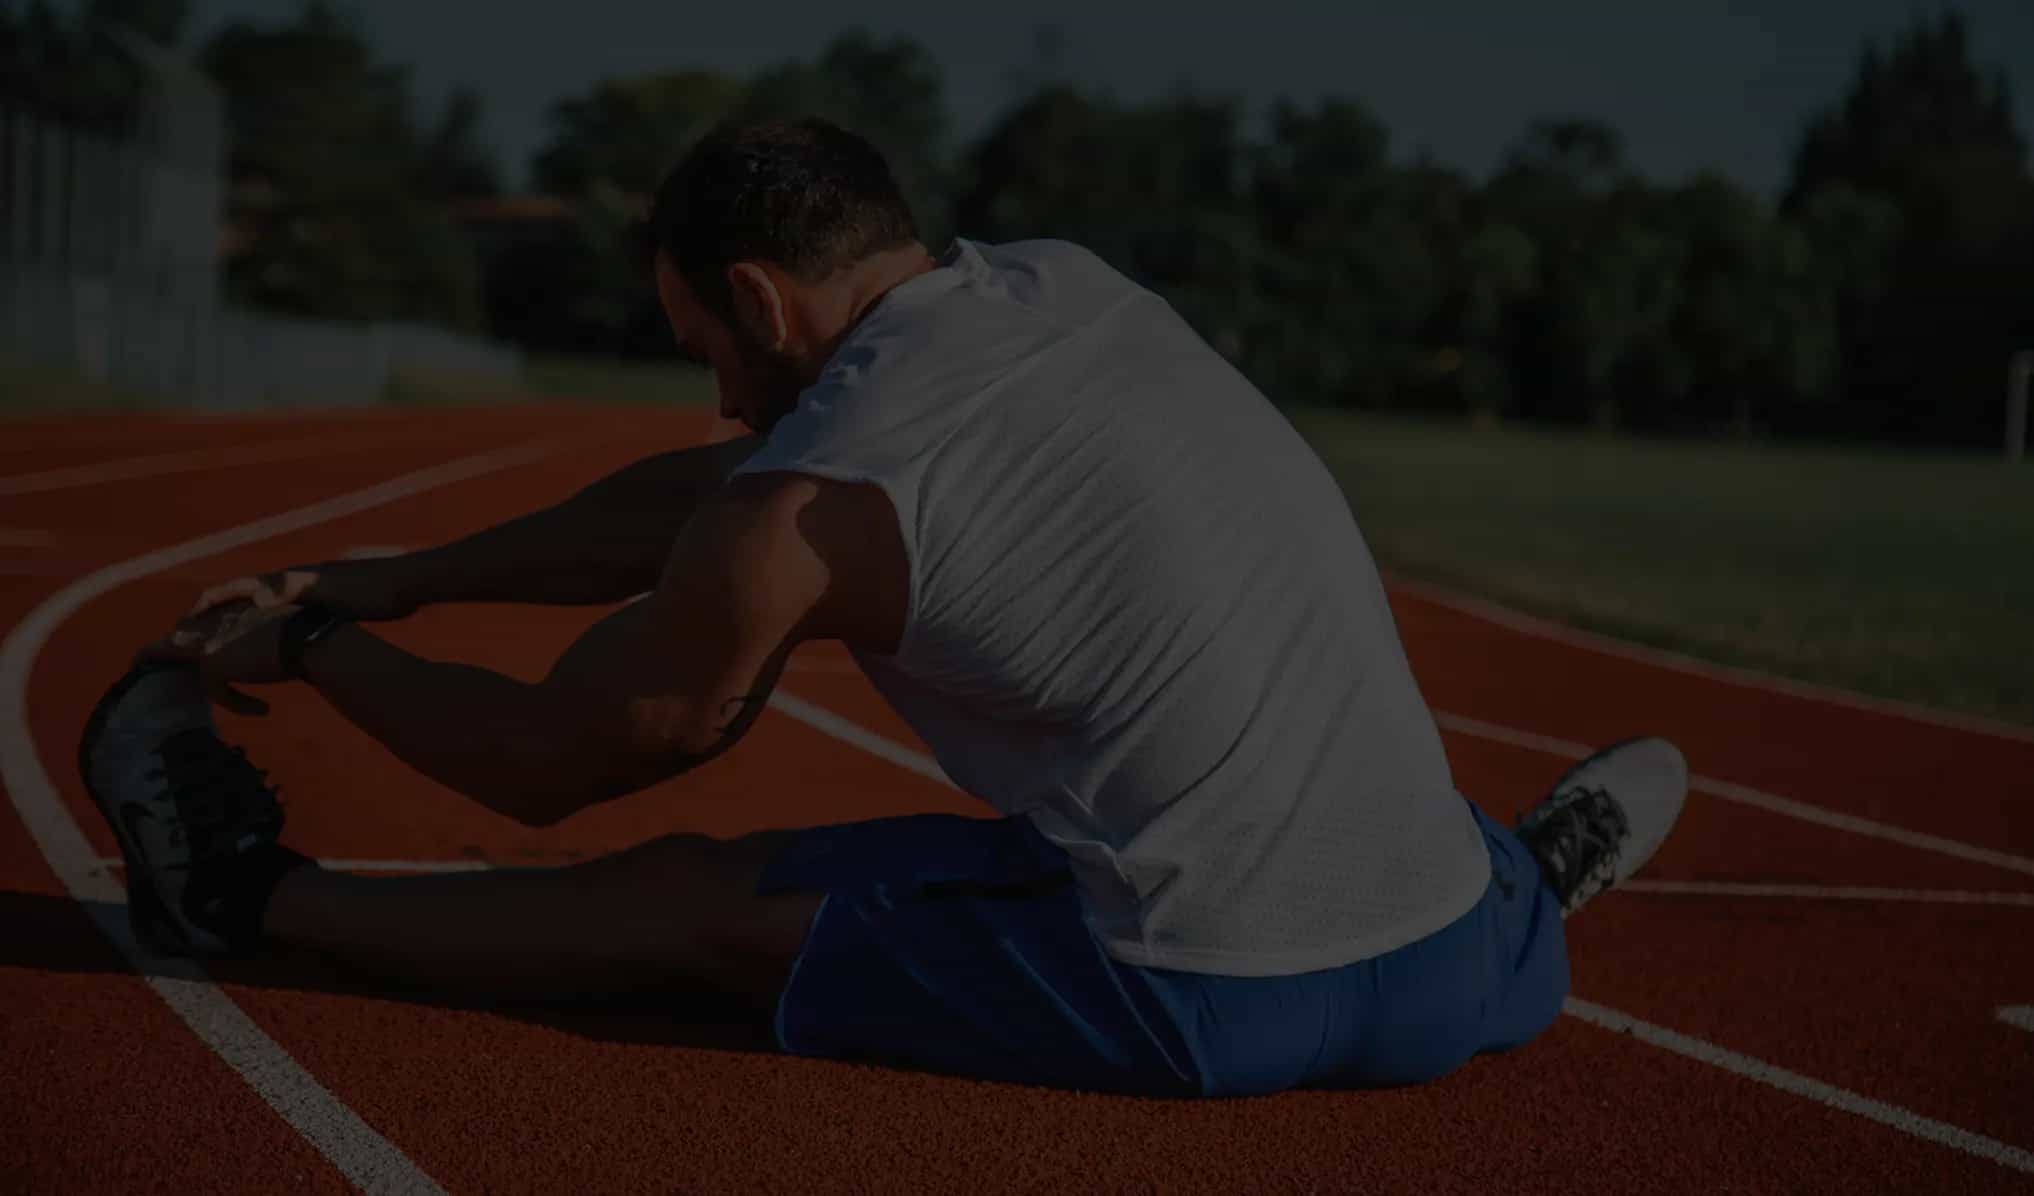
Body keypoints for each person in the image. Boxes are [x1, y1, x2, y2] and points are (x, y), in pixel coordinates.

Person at [82, 117, 1688, 1097]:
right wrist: (403, 578)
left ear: (764, 302)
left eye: (701, 340)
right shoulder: (1060, 283)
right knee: (1301, 762)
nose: (711, 391)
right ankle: (1522, 887)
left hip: (1198, 991)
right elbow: (715, 498)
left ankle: (243, 901)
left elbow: (550, 758)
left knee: (685, 904)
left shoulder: (807, 505)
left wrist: (314, 643)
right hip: (1449, 974)